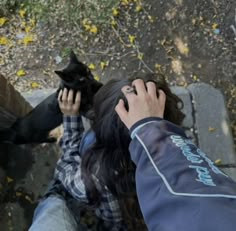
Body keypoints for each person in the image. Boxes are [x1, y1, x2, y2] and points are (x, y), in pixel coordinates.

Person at [29, 74, 185, 231]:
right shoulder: (182, 158)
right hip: (150, 219)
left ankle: (54, 196)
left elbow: (66, 169)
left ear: (105, 130)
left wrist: (71, 121)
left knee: (60, 187)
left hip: (113, 222)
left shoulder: (94, 177)